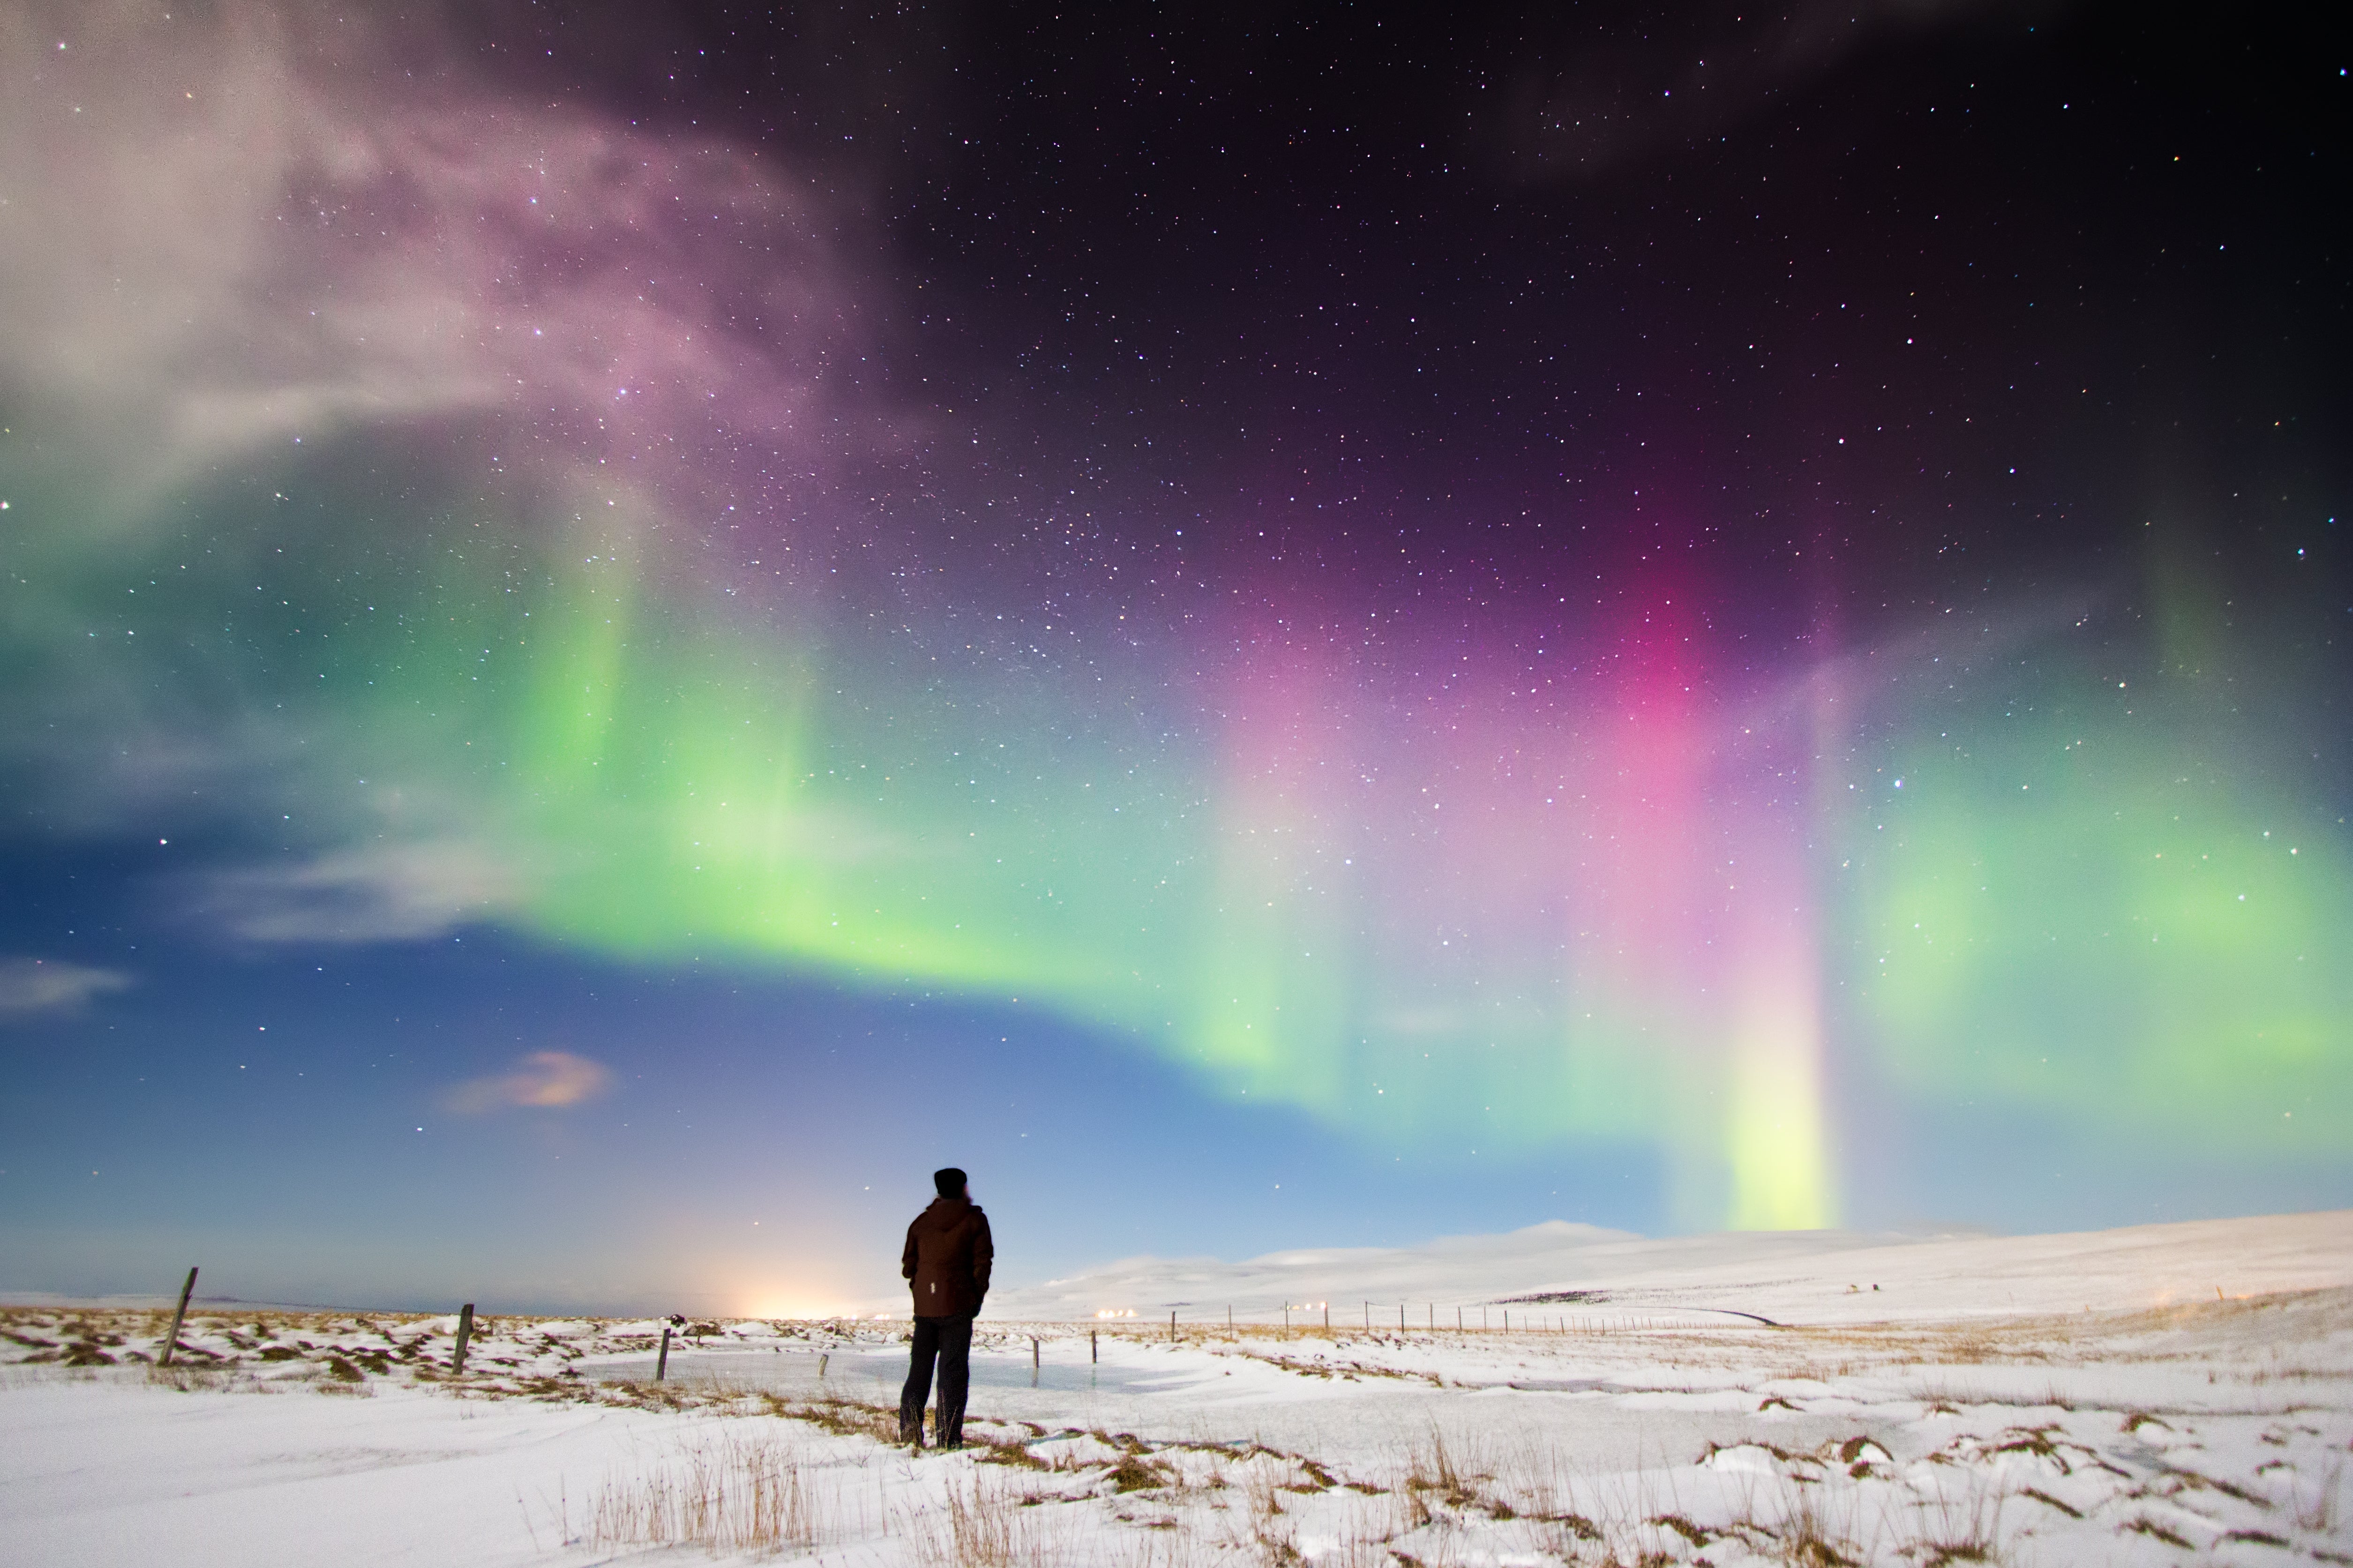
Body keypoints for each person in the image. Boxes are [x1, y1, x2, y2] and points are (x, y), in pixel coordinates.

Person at [899, 1165, 992, 1449]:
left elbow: (908, 1267)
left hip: (925, 1308)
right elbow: (982, 1263)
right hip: (959, 1306)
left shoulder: (921, 1223)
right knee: (952, 1373)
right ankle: (948, 1438)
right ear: (963, 1188)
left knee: (919, 1371)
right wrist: (976, 1298)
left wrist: (922, 1286)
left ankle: (911, 1435)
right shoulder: (975, 1220)